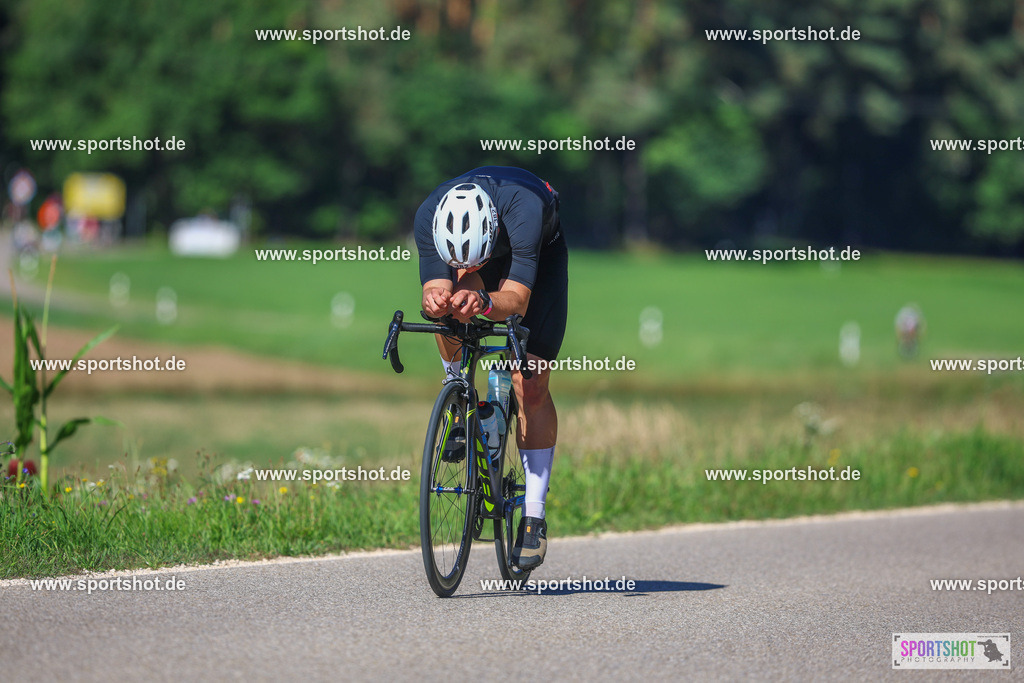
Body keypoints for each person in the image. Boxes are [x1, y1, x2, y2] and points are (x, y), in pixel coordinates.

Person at [414, 166, 568, 569]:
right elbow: (437, 286)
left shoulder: (525, 212)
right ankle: (456, 398)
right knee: (450, 309)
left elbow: (515, 300)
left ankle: (533, 515)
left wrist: (483, 304)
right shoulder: (429, 215)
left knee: (529, 380)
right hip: (474, 250)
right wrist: (436, 301)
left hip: (536, 254)